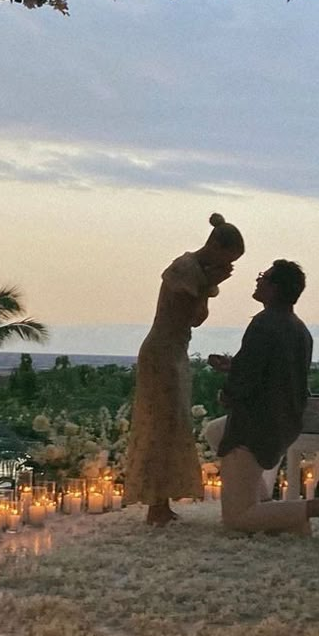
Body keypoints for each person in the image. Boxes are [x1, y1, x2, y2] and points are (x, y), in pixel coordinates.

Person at [207, 260, 319, 539]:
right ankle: (281, 516)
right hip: (284, 422)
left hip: (255, 425)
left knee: (236, 518)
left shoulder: (264, 324)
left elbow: (248, 379)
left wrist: (227, 394)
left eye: (264, 277)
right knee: (214, 431)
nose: (258, 280)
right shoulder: (298, 329)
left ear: (274, 288)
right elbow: (273, 372)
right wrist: (233, 366)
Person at [124, 213, 245, 526]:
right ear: (216, 245)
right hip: (161, 352)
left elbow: (196, 318)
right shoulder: (185, 270)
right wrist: (209, 286)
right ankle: (155, 504)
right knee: (161, 423)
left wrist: (209, 285)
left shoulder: (198, 274)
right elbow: (191, 315)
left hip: (176, 351)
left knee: (173, 423)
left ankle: (161, 502)